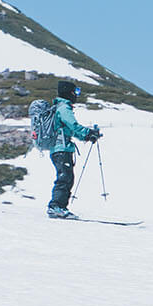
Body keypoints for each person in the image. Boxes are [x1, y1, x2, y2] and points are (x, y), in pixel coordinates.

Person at [42, 78, 101, 218]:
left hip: (60, 148)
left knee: (67, 177)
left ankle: (60, 207)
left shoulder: (59, 107)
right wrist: (88, 133)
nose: (77, 95)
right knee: (65, 177)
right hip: (61, 148)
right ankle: (56, 207)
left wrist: (86, 136)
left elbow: (70, 129)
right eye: (76, 91)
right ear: (69, 92)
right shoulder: (64, 108)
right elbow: (73, 126)